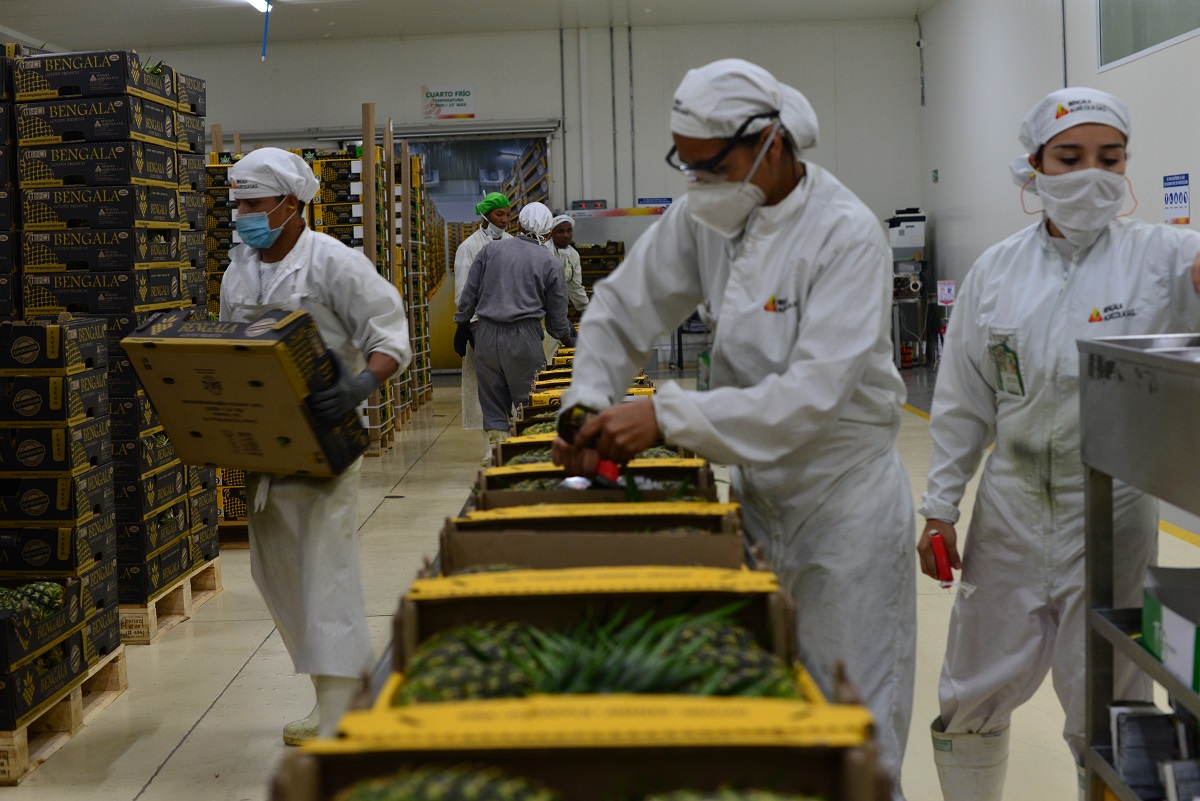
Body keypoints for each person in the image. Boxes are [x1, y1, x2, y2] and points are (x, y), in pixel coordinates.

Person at [550, 59, 915, 798]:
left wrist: (667, 415)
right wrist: (584, 407)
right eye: (684, 165)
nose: (696, 183)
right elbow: (621, 310)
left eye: (709, 166)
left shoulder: (845, 236)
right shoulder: (704, 216)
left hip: (842, 502)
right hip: (755, 492)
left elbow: (809, 401)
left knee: (853, 733)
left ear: (771, 145)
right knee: (767, 716)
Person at [917, 88, 1200, 801]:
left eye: (1110, 158)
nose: (1091, 175)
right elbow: (962, 399)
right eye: (1069, 158)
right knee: (973, 687)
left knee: (1110, 696)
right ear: (1034, 167)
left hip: (1113, 510)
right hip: (1009, 505)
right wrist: (940, 506)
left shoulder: (1166, 258)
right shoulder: (997, 271)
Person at [220, 148, 411, 745]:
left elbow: (389, 332)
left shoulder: (333, 262)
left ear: (292, 204)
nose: (245, 214)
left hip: (328, 440)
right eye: (239, 203)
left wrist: (360, 383)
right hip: (266, 447)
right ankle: (328, 690)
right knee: (277, 570)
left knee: (325, 570)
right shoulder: (238, 270)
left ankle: (342, 707)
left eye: (255, 203)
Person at [454, 201, 573, 444]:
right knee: (527, 403)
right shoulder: (550, 263)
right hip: (523, 340)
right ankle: (524, 452)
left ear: (518, 224)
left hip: (486, 337)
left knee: (493, 401)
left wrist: (461, 324)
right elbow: (557, 320)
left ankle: (497, 449)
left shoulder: (489, 251)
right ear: (548, 233)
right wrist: (568, 339)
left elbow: (469, 293)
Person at [454, 192, 513, 463]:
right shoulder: (469, 247)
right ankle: (491, 446)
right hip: (483, 327)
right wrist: (468, 325)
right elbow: (463, 292)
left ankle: (513, 441)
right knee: (487, 388)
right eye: (500, 214)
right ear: (486, 215)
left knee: (512, 386)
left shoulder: (515, 244)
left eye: (508, 214)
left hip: (513, 327)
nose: (505, 220)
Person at [543, 214, 589, 361]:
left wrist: (587, 310)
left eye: (569, 231)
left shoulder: (573, 255)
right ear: (551, 233)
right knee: (547, 351)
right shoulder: (543, 252)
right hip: (541, 314)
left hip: (559, 314)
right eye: (560, 231)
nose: (566, 235)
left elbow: (575, 287)